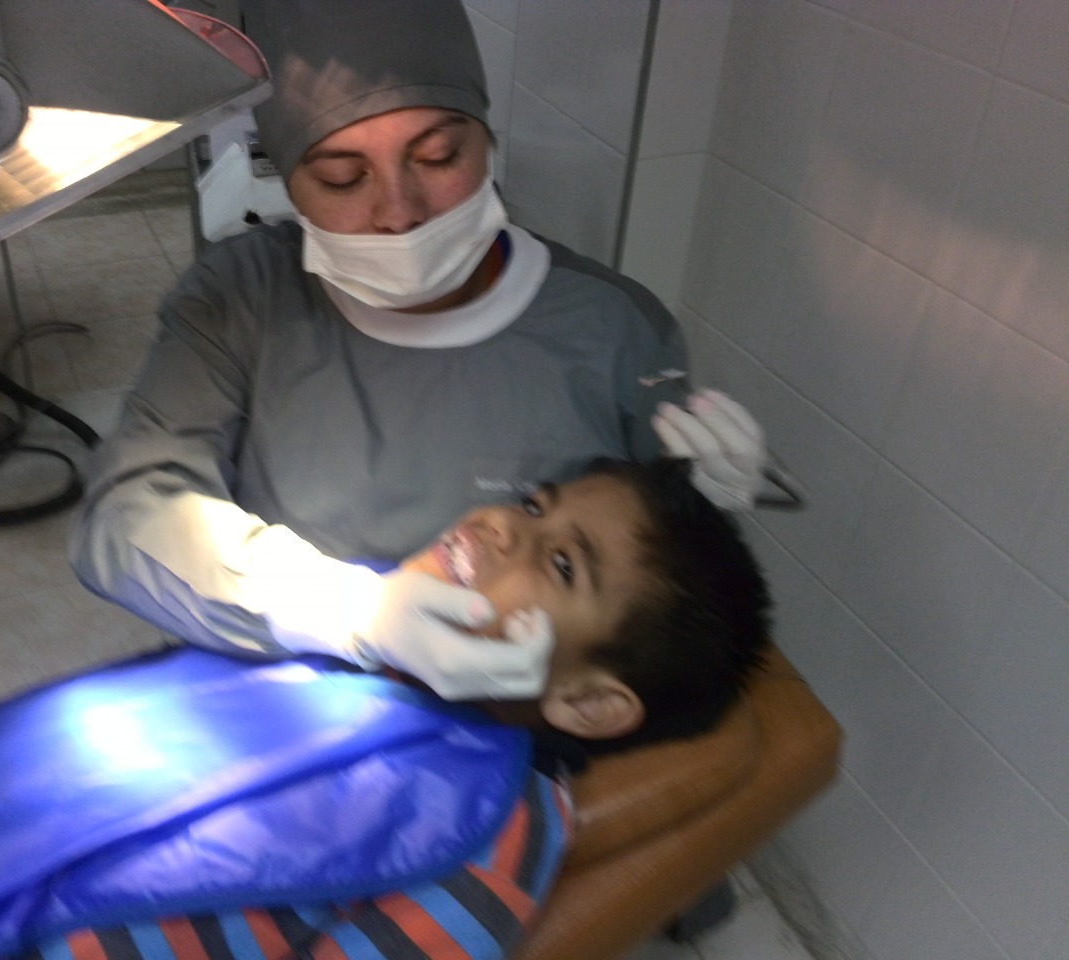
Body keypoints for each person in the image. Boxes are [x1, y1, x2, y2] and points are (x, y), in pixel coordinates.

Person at [68, 0, 770, 704]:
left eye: (438, 156)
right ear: (287, 181)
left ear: (486, 141)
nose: (400, 211)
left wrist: (700, 513)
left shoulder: (613, 329)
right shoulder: (241, 298)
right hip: (292, 709)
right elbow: (125, 519)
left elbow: (649, 589)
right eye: (342, 177)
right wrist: (353, 614)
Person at [0, 459, 770, 960]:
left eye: (559, 563)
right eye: (534, 502)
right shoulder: (360, 618)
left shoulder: (489, 836)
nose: (504, 526)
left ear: (589, 702)